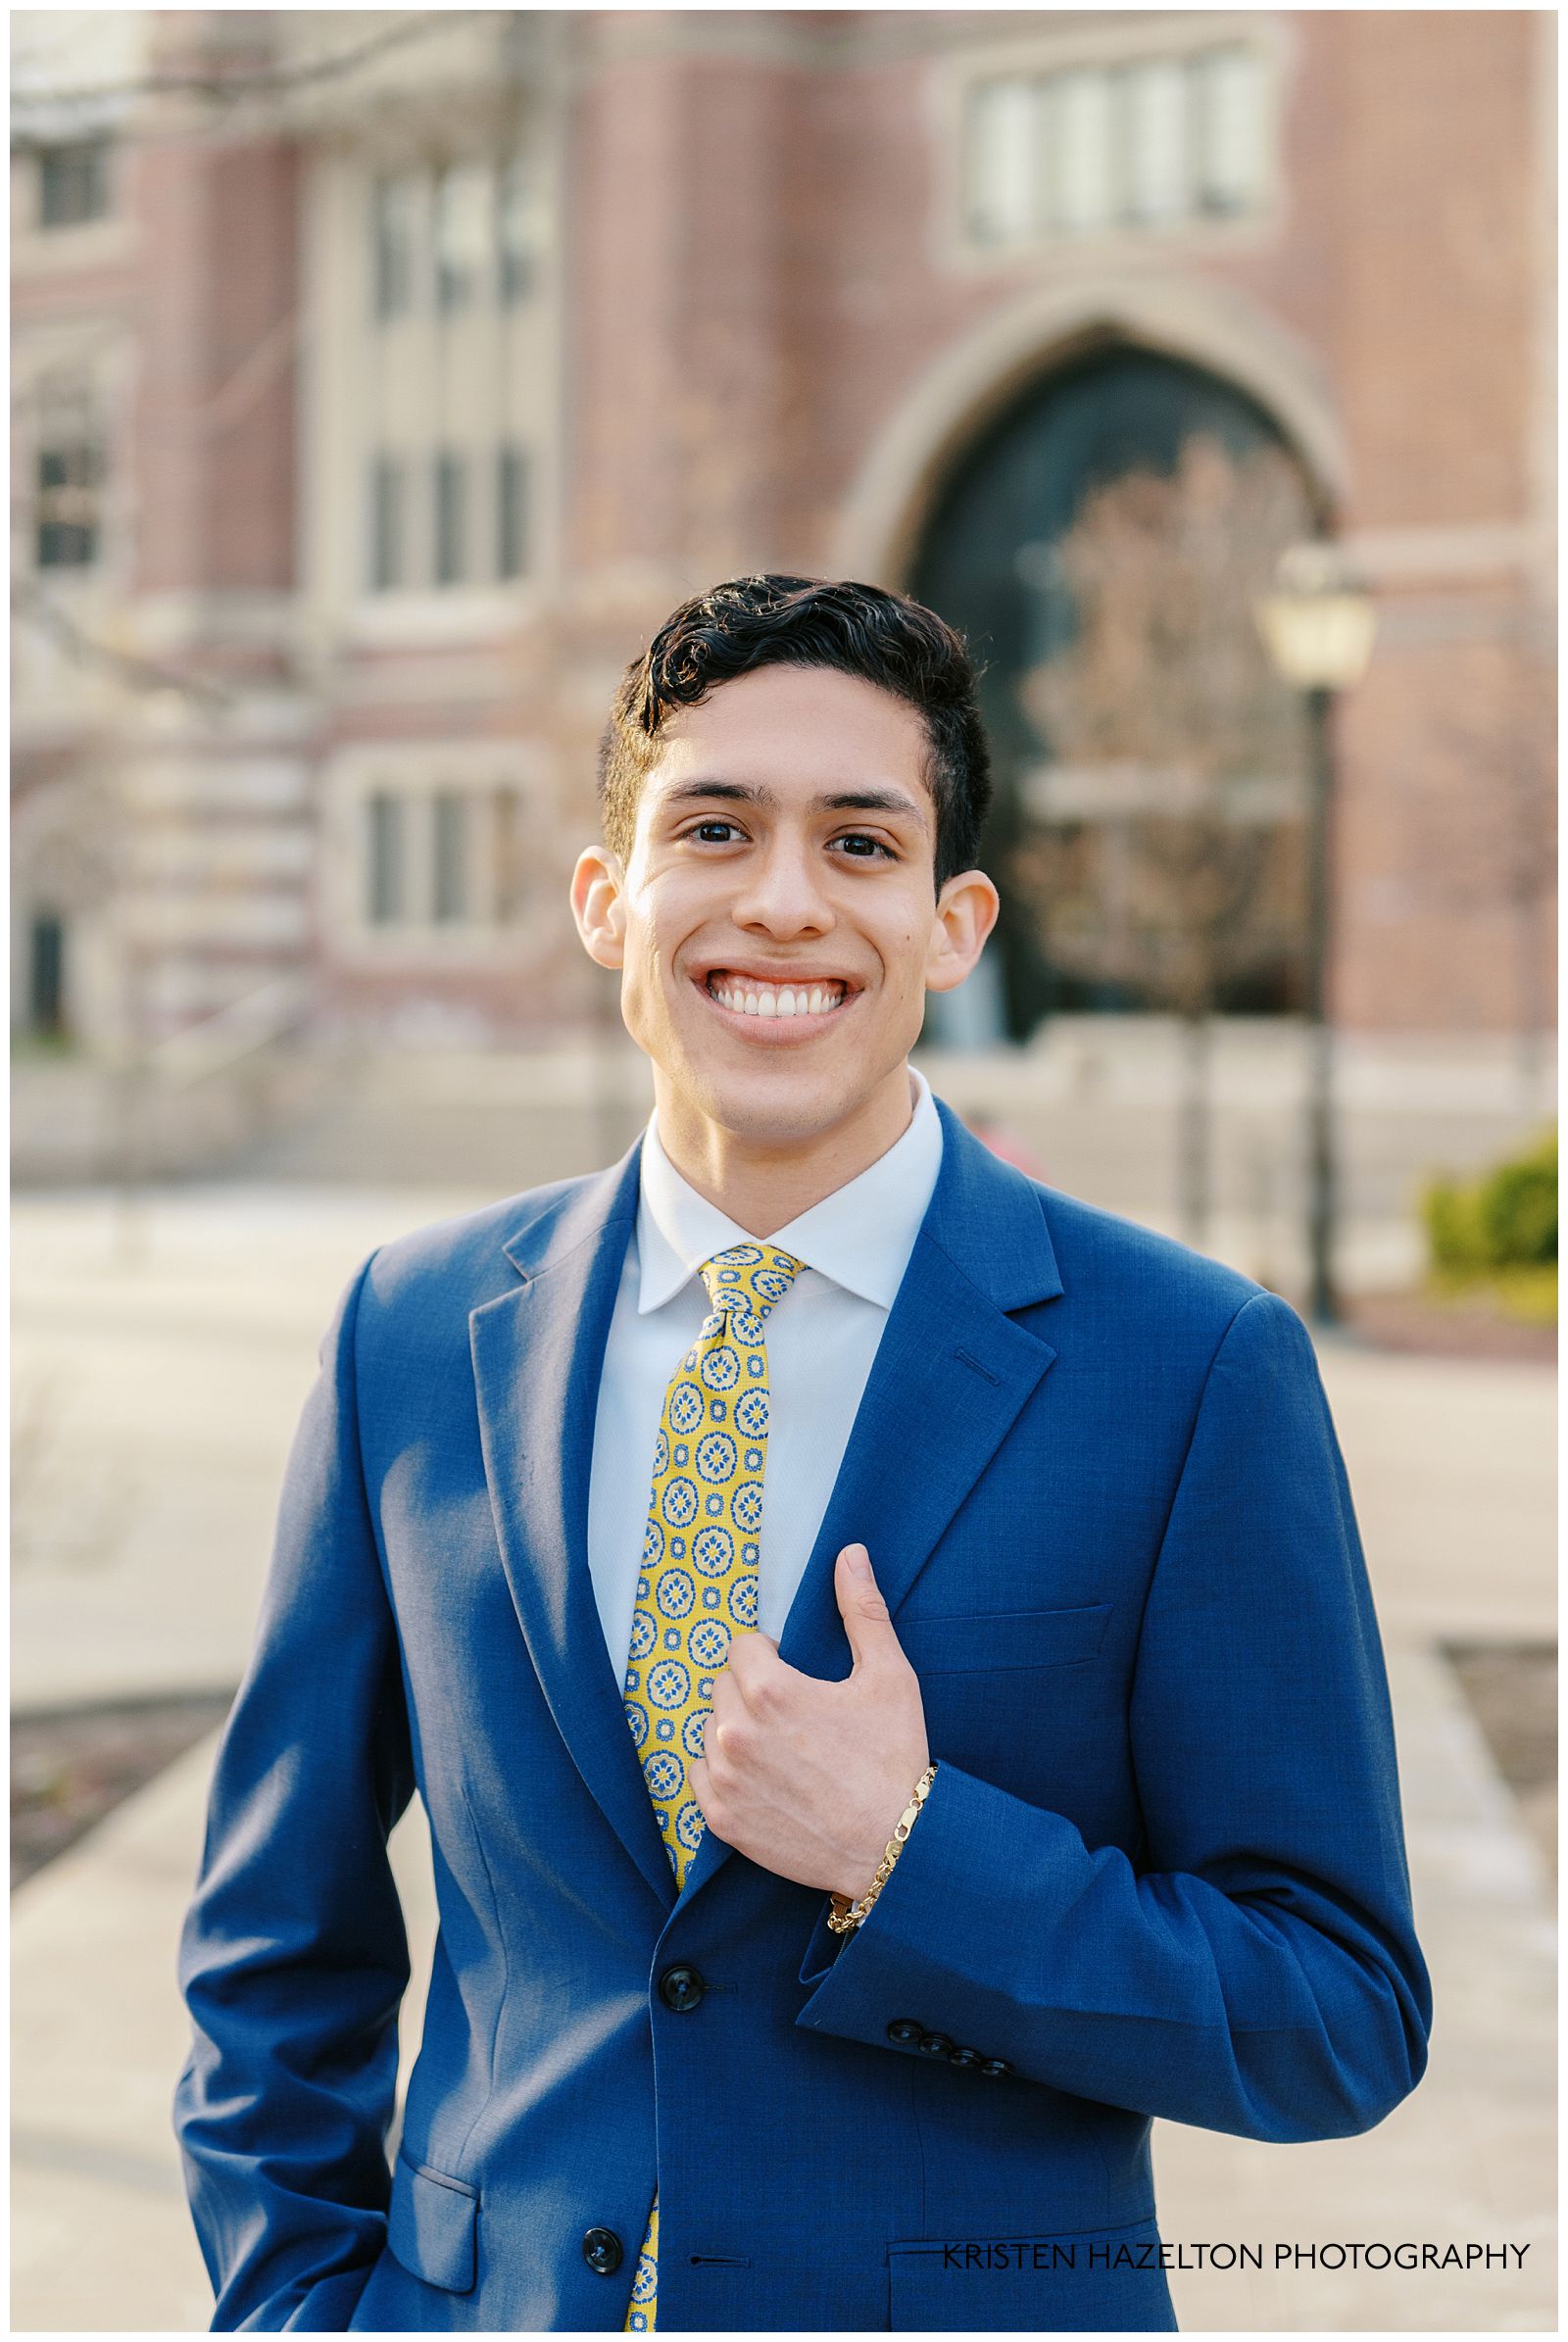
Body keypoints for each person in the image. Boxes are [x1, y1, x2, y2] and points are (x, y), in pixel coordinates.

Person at [174, 575, 1431, 2334]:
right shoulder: (411, 1332)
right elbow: (272, 1945)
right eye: (715, 827)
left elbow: (1337, 2011)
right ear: (607, 900)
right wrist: (301, 2313)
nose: (783, 899)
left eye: (860, 842)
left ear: (954, 923)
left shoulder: (1191, 1366)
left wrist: (910, 1849)